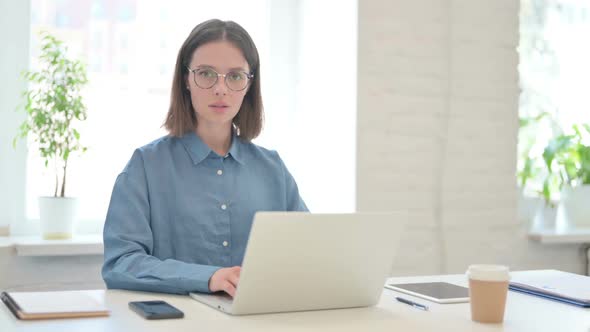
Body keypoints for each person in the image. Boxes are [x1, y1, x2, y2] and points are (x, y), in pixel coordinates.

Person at [102, 19, 308, 297]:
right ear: (186, 79)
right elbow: (120, 264)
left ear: (249, 85)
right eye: (206, 74)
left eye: (235, 76)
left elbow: (309, 253)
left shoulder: (273, 169)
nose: (221, 89)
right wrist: (208, 277)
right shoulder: (146, 166)